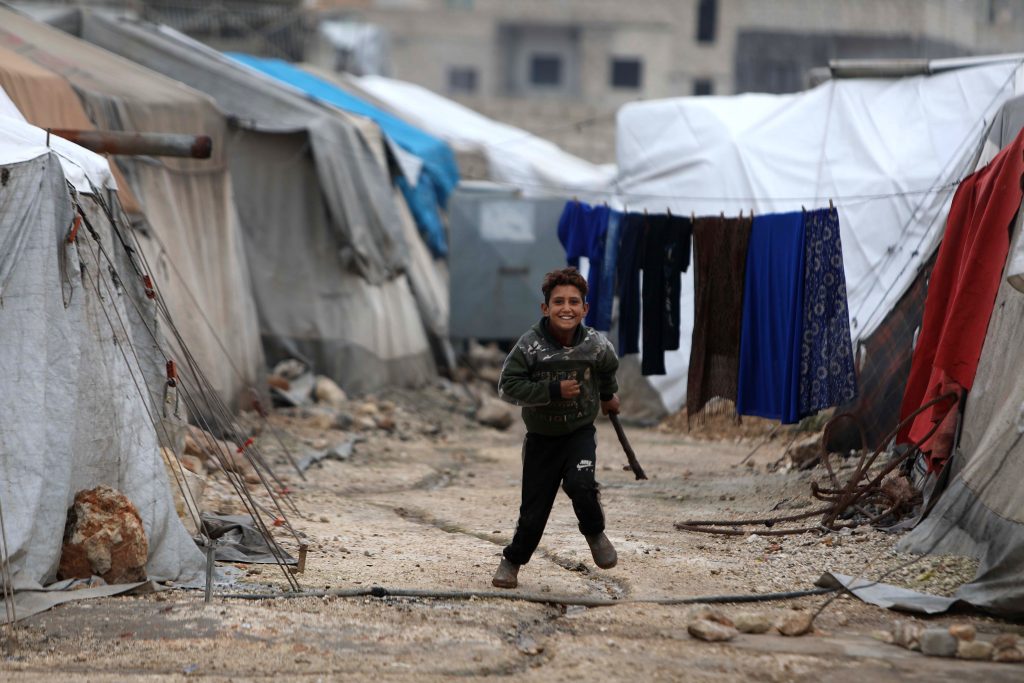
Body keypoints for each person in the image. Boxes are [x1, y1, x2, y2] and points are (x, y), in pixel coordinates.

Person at [492, 267, 620, 589]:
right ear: (545, 308)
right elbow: (507, 387)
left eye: (574, 302)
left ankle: (594, 532)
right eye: (558, 301)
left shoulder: (595, 344)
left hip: (579, 433)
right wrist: (552, 391)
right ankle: (512, 561)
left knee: (582, 485)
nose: (567, 308)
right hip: (542, 440)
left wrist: (607, 396)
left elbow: (607, 368)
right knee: (534, 513)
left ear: (585, 309)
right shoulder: (530, 347)